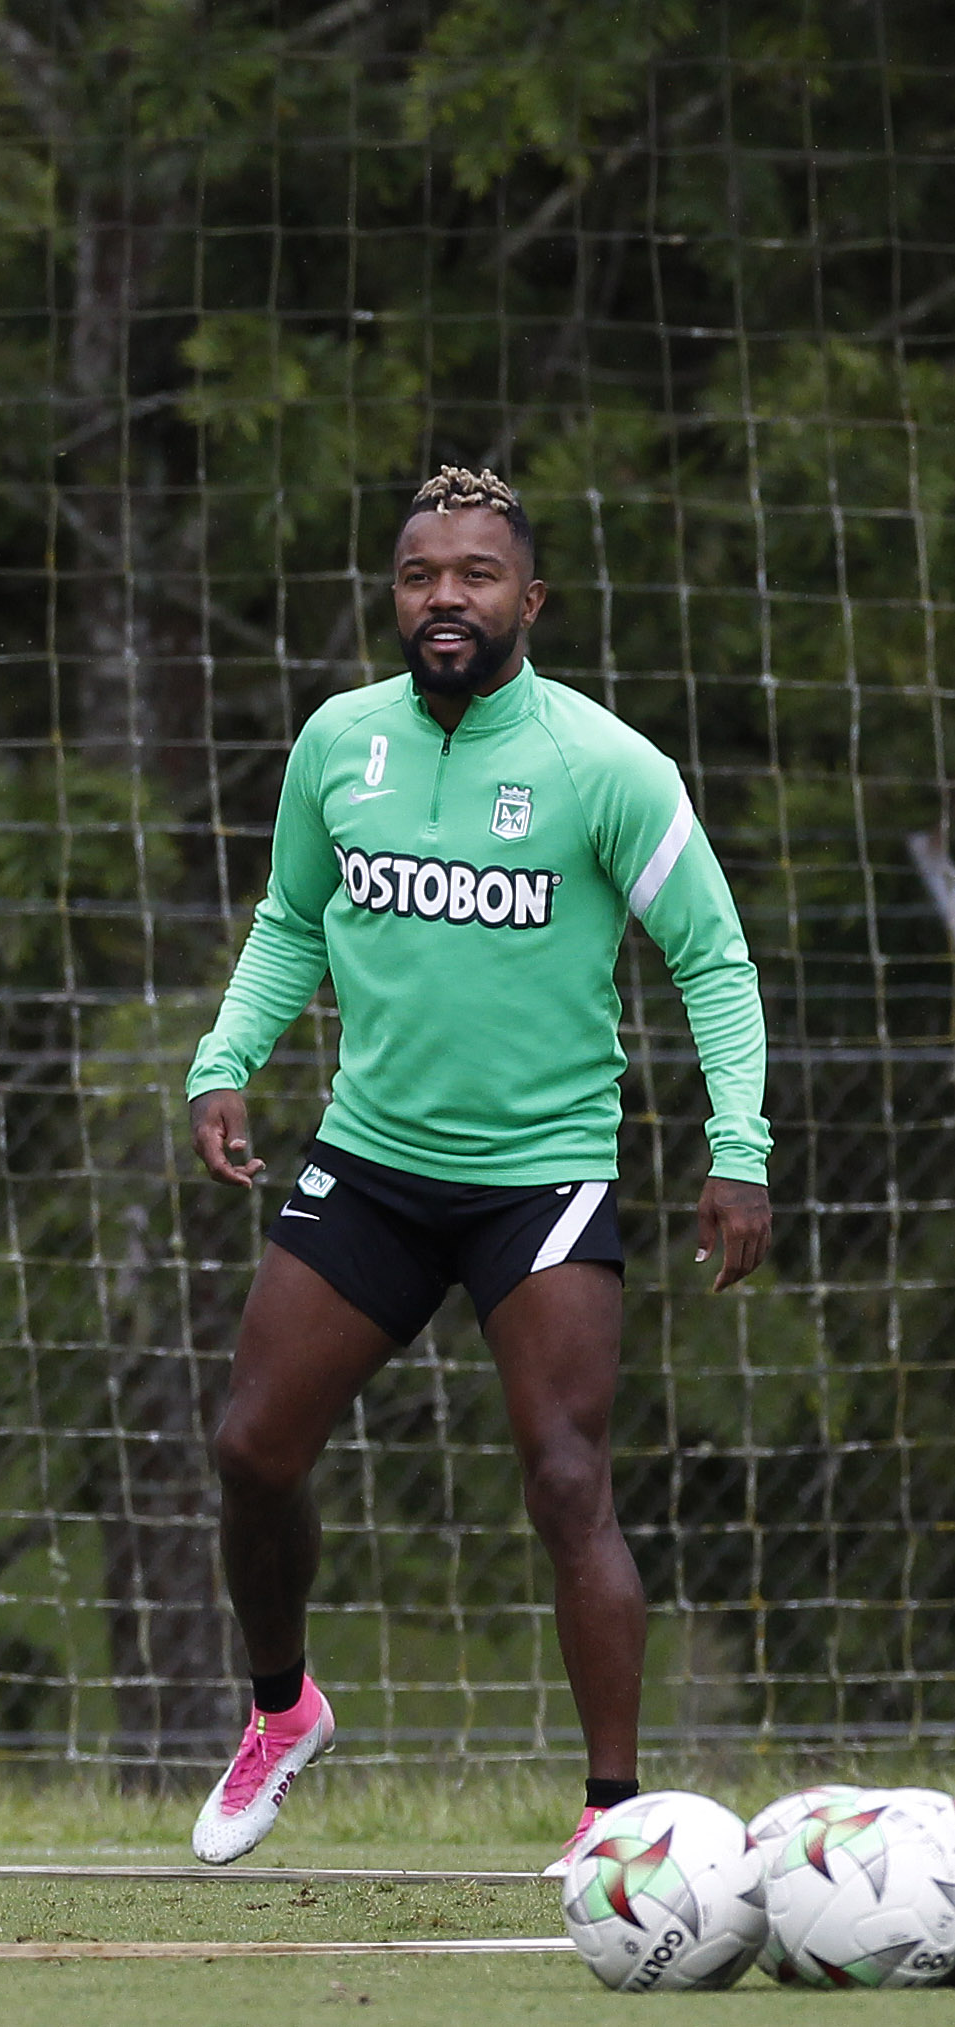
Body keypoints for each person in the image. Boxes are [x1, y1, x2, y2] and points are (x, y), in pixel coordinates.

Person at [181, 466, 771, 1873]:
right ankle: (280, 1711)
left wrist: (735, 1151)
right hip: (371, 1165)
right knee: (248, 1453)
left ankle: (614, 1820)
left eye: (474, 576)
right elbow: (289, 922)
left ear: (529, 600)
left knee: (567, 1480)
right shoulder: (341, 744)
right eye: (417, 576)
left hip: (542, 1179)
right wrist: (224, 1056)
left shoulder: (602, 766)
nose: (443, 598)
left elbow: (713, 960)